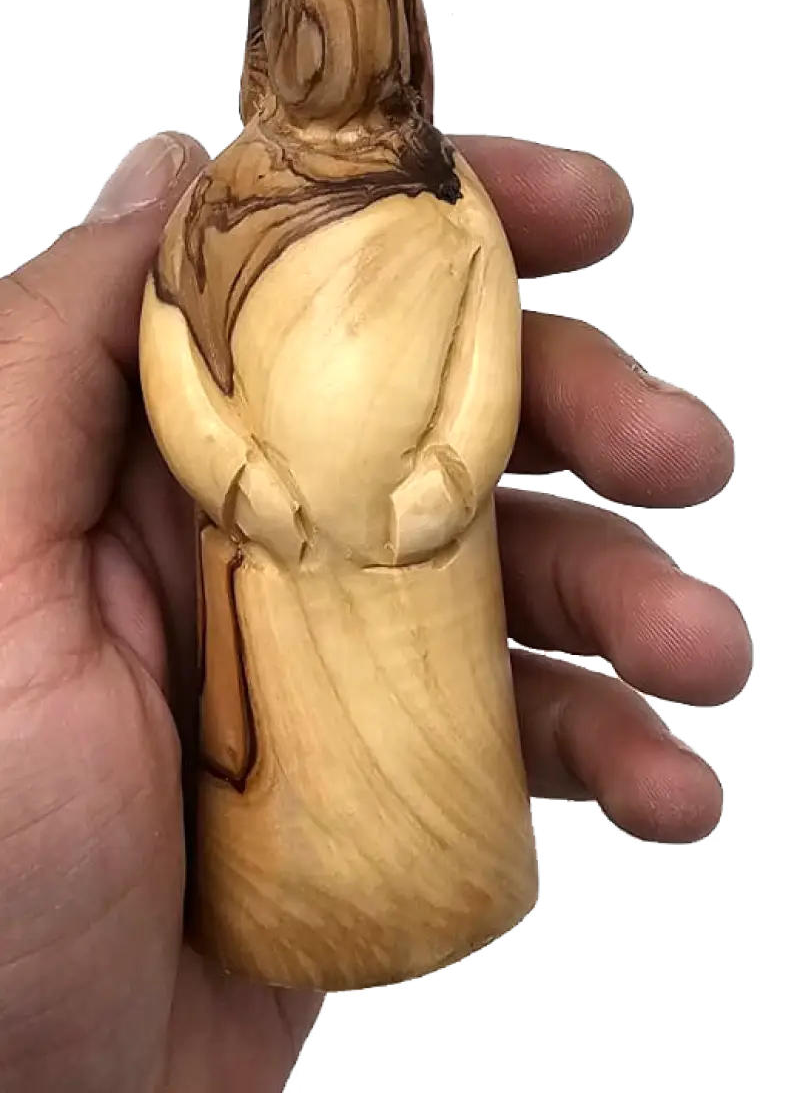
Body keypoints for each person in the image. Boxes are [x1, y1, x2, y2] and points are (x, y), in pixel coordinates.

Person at [0, 131, 750, 1092]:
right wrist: (235, 477)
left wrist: (452, 471)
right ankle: (290, 897)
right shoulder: (222, 206)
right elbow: (180, 354)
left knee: (436, 747)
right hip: (267, 587)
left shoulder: (448, 198)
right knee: (292, 756)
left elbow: (483, 352)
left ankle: (452, 876)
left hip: (425, 574)